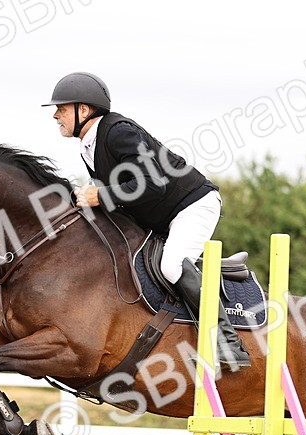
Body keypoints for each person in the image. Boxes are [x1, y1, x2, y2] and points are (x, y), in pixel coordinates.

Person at [43, 71, 250, 370]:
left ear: (84, 110)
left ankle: (229, 345)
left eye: (61, 108)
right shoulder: (88, 145)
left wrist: (99, 196)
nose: (55, 115)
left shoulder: (117, 132)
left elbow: (153, 184)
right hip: (163, 215)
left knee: (172, 265)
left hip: (192, 204)